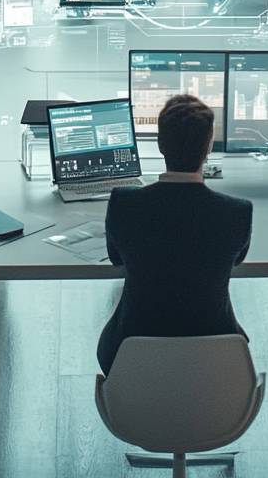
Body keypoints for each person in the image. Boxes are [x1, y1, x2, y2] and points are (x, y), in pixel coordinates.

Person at [96, 94, 252, 376]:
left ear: (159, 145)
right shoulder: (237, 213)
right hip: (216, 362)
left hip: (128, 360)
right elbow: (237, 259)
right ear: (207, 149)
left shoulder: (124, 204)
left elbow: (116, 258)